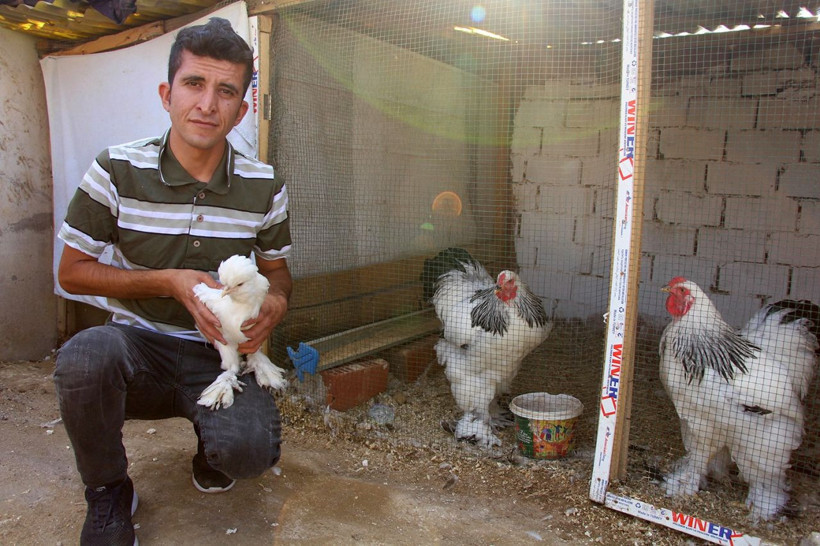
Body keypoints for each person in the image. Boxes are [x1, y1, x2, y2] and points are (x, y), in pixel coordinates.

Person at [53, 17, 291, 546]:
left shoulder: (265, 185)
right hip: (138, 349)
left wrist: (275, 303)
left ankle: (212, 447)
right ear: (167, 93)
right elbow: (70, 272)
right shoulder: (115, 170)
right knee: (85, 359)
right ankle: (109, 492)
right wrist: (171, 282)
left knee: (250, 452)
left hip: (221, 354)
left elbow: (278, 274)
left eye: (226, 90)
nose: (207, 104)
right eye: (193, 84)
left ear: (243, 108)